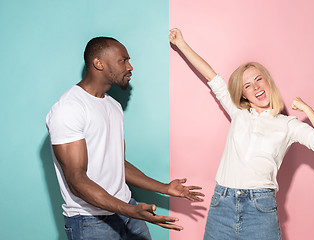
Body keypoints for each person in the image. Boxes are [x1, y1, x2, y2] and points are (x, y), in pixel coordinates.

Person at [169, 28, 314, 240]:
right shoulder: (239, 113)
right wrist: (181, 44)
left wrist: (307, 109)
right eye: (248, 86)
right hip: (222, 203)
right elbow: (211, 76)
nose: (256, 87)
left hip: (260, 209)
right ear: (244, 95)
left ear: (267, 81)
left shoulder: (288, 125)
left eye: (259, 79)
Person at [46, 36, 204, 240]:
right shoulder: (68, 108)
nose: (130, 67)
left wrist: (164, 188)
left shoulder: (113, 106)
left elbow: (118, 164)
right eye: (123, 60)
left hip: (127, 210)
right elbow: (76, 179)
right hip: (91, 221)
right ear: (99, 63)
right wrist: (128, 210)